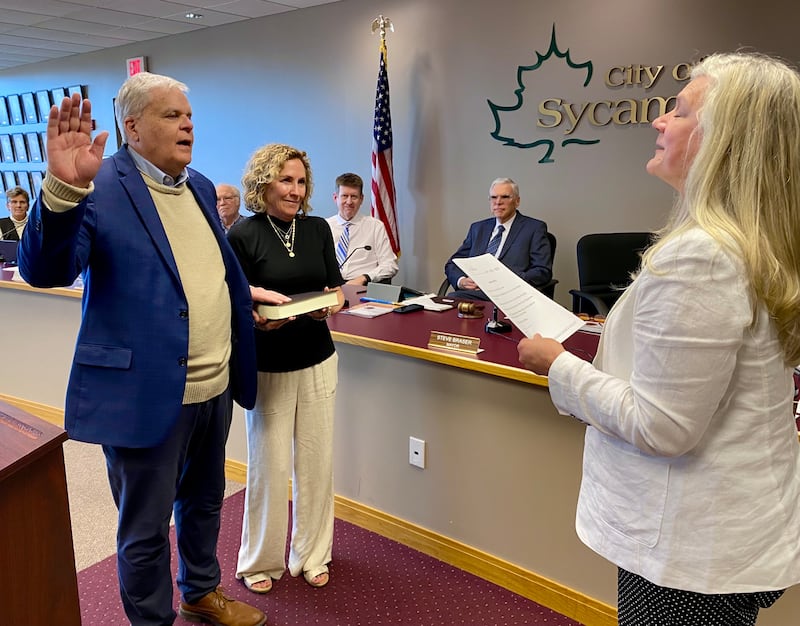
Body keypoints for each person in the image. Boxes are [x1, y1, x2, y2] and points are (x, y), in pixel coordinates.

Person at [517, 52, 800, 626]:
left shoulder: (702, 257)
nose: (659, 121)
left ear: (726, 140)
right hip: (726, 529)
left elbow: (662, 426)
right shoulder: (751, 242)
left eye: (679, 111)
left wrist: (558, 368)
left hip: (689, 543)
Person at [18, 73, 268, 626]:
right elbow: (45, 270)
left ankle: (200, 593)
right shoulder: (98, 186)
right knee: (146, 528)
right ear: (131, 127)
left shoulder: (199, 186)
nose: (188, 125)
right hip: (145, 392)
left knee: (204, 503)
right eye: (172, 115)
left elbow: (203, 273)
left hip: (214, 386)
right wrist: (61, 192)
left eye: (189, 116)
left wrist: (243, 298)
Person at [227, 143, 345, 595]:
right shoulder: (244, 235)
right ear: (263, 183)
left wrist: (326, 306)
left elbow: (334, 290)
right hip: (269, 363)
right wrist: (257, 309)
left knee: (316, 463)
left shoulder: (317, 229)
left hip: (318, 359)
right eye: (285, 180)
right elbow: (235, 300)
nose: (295, 190)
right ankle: (260, 559)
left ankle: (313, 553)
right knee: (270, 467)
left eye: (300, 182)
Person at [444, 178, 551, 300]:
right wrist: (461, 281)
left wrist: (507, 280)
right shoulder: (478, 228)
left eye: (505, 197)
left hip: (510, 295)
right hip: (475, 291)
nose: (498, 202)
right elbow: (453, 263)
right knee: (451, 302)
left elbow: (542, 271)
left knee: (455, 299)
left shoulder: (533, 228)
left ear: (517, 201)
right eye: (494, 197)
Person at [326, 172, 398, 285]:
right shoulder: (324, 226)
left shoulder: (375, 226)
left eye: (354, 196)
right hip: (331, 287)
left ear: (361, 199)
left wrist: (365, 278)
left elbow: (390, 265)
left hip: (364, 286)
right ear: (335, 198)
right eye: (344, 196)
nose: (349, 202)